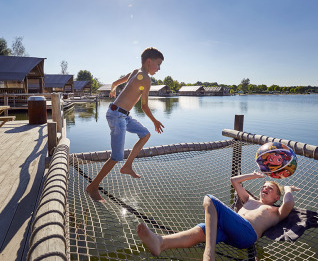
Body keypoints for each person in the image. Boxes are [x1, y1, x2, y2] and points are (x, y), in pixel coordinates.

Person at [137, 171, 300, 261]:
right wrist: (253, 175)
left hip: (247, 234)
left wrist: (287, 189)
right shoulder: (250, 199)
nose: (265, 188)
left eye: (270, 188)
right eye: (263, 186)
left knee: (210, 200)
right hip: (231, 233)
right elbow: (234, 181)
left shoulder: (276, 211)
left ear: (276, 197)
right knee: (203, 229)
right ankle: (161, 243)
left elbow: (289, 204)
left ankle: (209, 253)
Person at [86, 47, 164, 202]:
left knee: (145, 134)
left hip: (121, 115)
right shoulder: (146, 79)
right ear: (149, 62)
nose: (159, 68)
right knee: (116, 156)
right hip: (117, 116)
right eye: (158, 64)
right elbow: (144, 106)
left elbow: (115, 82)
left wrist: (113, 90)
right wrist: (155, 121)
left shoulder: (135, 71)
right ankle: (93, 187)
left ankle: (127, 166)